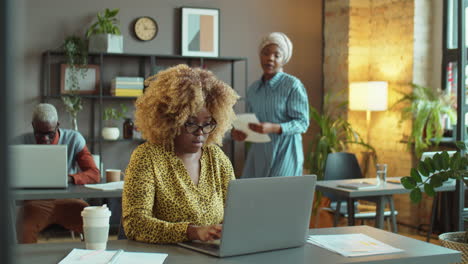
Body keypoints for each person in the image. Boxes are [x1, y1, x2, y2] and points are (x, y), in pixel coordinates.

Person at [122, 64, 239, 244]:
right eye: (191, 123)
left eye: (208, 124)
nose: (200, 132)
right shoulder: (147, 157)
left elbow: (235, 213)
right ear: (170, 121)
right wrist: (192, 232)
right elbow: (135, 224)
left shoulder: (217, 158)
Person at [16, 103, 100, 243]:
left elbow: (94, 173)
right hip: (35, 203)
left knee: (94, 222)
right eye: (39, 133)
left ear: (57, 125)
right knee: (23, 230)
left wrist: (69, 178)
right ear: (33, 126)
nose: (45, 139)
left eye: (50, 133)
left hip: (68, 200)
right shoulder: (20, 142)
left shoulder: (74, 139)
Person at [232, 32, 310, 178]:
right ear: (260, 55)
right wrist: (241, 133)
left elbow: (302, 123)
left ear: (284, 59)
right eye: (266, 53)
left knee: (279, 197)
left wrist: (274, 128)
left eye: (276, 55)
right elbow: (251, 122)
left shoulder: (292, 85)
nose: (270, 58)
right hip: (259, 153)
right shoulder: (253, 89)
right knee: (253, 197)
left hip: (286, 152)